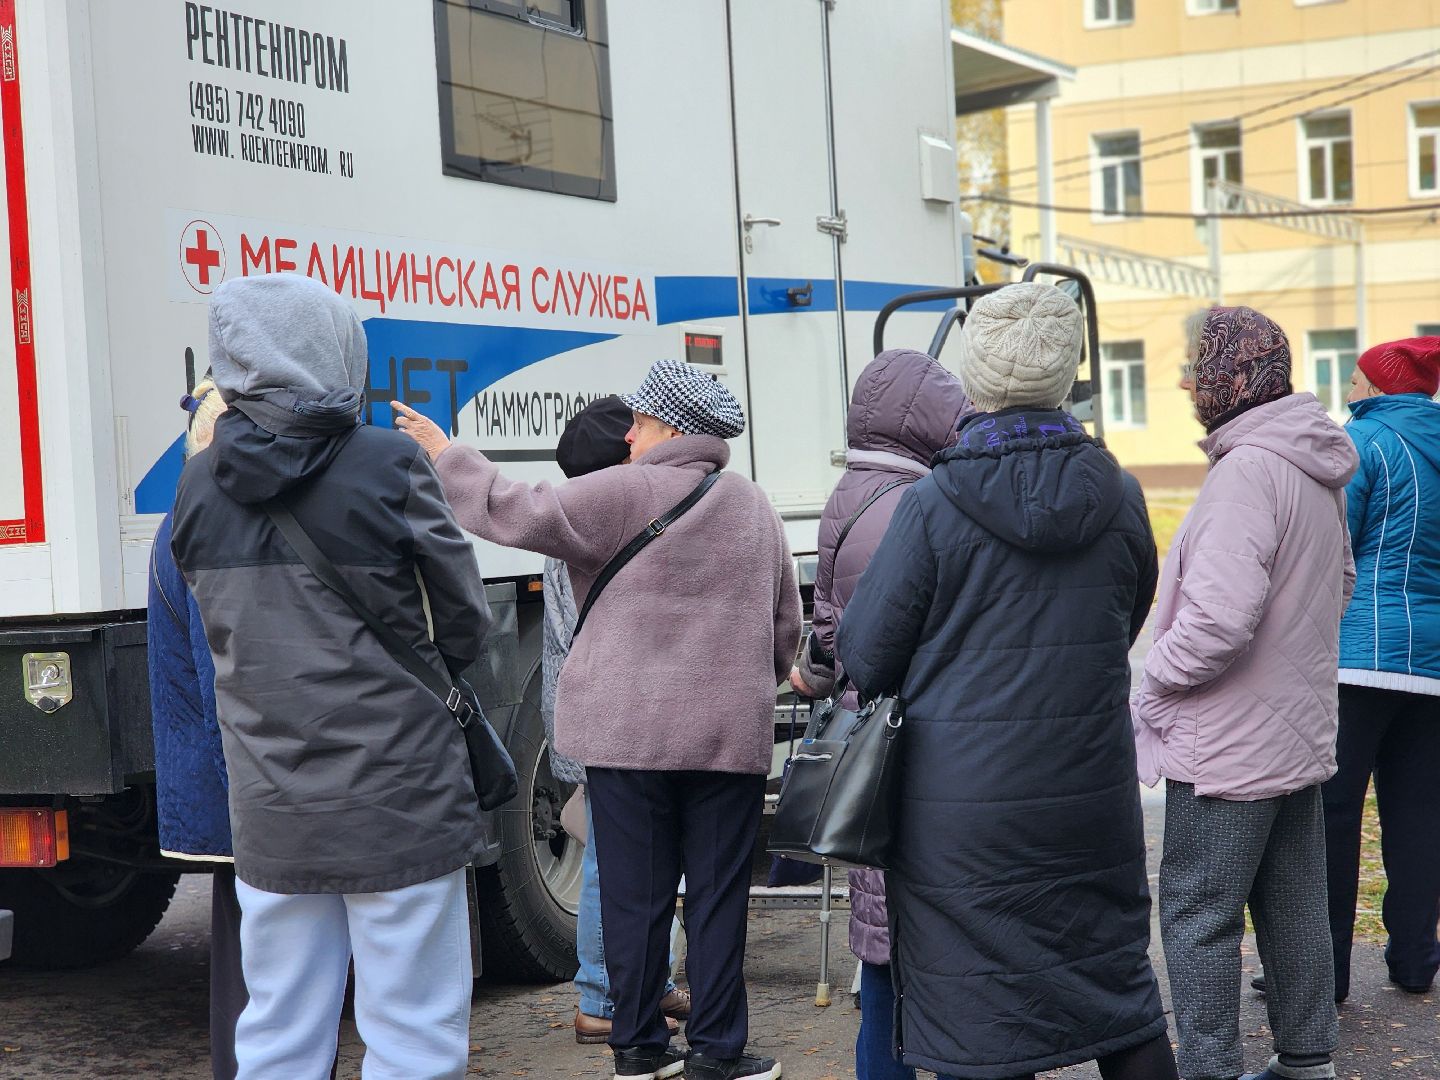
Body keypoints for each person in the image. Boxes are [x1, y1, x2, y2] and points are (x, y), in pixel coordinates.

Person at [395, 358, 801, 1080]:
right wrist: (735, 685)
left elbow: (513, 509)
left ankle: (639, 1046)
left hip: (628, 737)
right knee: (715, 897)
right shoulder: (753, 506)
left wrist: (447, 453)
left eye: (640, 422)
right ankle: (717, 1052)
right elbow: (783, 632)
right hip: (725, 739)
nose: (630, 436)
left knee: (635, 897)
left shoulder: (617, 492)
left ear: (671, 427)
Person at [837, 282, 1176, 1080]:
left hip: (961, 821)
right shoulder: (1121, 497)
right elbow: (1126, 616)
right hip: (1089, 799)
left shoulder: (933, 505)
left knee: (981, 1019)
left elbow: (868, 655)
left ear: (978, 379)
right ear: (1067, 374)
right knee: (1116, 995)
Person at [170, 274, 491, 1080]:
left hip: (272, 800)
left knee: (277, 1027)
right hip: (400, 793)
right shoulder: (388, 462)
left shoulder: (197, 484)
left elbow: (216, 633)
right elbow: (464, 621)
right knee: (412, 1030)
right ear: (339, 348)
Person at [1132, 305, 1356, 1080]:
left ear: (1231, 372)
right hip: (1294, 729)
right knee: (1294, 904)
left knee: (1198, 914)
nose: (1186, 381)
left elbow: (1220, 621)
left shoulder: (1245, 472)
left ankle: (1210, 1069)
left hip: (1226, 743)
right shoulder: (1308, 462)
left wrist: (1152, 675)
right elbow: (1342, 583)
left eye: (1195, 365)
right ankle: (1305, 1062)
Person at [787, 348, 973, 1080]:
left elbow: (833, 626)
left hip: (868, 736)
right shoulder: (920, 504)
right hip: (919, 740)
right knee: (939, 954)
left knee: (880, 955)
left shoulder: (849, 493)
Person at [542, 397, 689, 1045]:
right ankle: (601, 995)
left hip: (591, 712)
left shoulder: (572, 516)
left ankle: (645, 983)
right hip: (603, 716)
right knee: (611, 860)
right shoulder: (597, 524)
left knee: (634, 858)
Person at [1323, 336, 1440, 1000]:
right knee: (1421, 811)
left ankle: (1327, 972)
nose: (1349, 384)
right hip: (1433, 665)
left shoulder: (1362, 446)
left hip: (1362, 658)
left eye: (1357, 375)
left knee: (1334, 814)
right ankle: (1416, 959)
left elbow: (1338, 549)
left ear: (1377, 386)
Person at [148, 379, 245, 1080]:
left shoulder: (180, 515)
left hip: (215, 787)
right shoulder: (206, 522)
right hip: (235, 789)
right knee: (257, 982)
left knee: (246, 970)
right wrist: (248, 791)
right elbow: (222, 688)